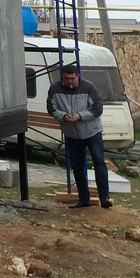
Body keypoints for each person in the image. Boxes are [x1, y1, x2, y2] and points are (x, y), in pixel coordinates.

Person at [46, 62, 112, 208]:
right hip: (71, 134)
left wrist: (80, 116)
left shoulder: (89, 87)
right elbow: (51, 108)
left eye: (72, 78)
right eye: (66, 79)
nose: (70, 82)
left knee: (98, 161)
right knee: (77, 166)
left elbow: (97, 108)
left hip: (92, 132)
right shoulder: (55, 89)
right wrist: (63, 116)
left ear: (78, 76)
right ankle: (83, 199)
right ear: (62, 78)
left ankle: (104, 197)